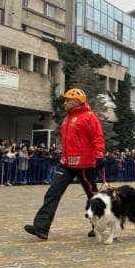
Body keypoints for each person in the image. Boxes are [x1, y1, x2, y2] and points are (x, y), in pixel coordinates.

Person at [24, 88, 105, 240]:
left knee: (92, 196)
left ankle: (98, 225)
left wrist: (99, 155)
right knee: (52, 192)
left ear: (77, 102)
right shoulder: (67, 118)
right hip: (66, 163)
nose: (65, 103)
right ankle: (41, 227)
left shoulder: (89, 117)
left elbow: (98, 137)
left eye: (68, 100)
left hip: (85, 164)